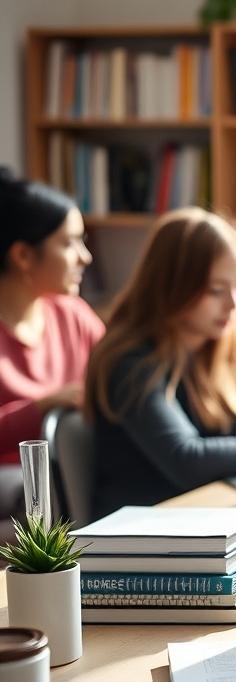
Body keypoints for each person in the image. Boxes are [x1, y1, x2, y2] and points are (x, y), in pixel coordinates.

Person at [85, 208, 236, 519]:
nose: (234, 303)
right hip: (144, 528)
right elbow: (185, 459)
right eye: (216, 290)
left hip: (211, 515)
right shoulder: (129, 360)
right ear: (172, 286)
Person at [0, 168, 104, 536]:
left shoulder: (74, 316)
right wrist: (44, 406)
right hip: (18, 486)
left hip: (71, 471)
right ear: (23, 255)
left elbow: (117, 377)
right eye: (70, 243)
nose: (85, 257)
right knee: (36, 493)